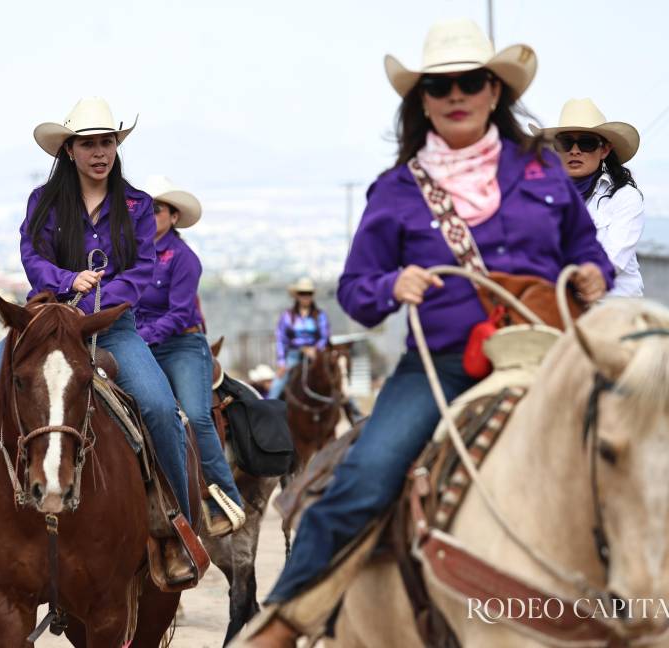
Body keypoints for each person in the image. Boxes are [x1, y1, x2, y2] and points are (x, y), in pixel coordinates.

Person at [241, 18, 612, 646]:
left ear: (496, 91)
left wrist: (592, 277)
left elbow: (588, 250)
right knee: (367, 474)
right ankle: (280, 623)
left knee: (654, 451)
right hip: (442, 363)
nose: (457, 94)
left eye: (472, 81)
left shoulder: (544, 174)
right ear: (424, 102)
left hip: (554, 356)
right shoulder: (396, 192)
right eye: (440, 87)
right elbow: (358, 290)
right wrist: (394, 287)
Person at [0, 96, 196, 585]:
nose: (99, 152)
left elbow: (144, 269)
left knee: (159, 408)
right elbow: (31, 255)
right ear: (69, 150)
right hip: (43, 324)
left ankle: (174, 533)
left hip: (111, 327)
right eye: (89, 144)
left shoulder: (138, 206)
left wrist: (95, 301)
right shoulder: (43, 202)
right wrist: (67, 282)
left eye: (107, 142)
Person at [137, 175, 245, 536]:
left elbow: (180, 313)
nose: (147, 215)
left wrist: (140, 337)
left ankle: (224, 500)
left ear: (173, 216)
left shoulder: (183, 258)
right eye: (140, 209)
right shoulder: (128, 257)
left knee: (197, 417)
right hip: (139, 344)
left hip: (181, 345)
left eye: (156, 209)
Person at [531, 98, 644, 296]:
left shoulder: (625, 196)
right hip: (558, 303)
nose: (575, 150)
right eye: (565, 143)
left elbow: (611, 261)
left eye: (586, 143)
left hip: (613, 309)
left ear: (604, 150)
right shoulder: (542, 196)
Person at [266, 278, 330, 399]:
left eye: (309, 294)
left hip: (316, 356)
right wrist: (281, 363)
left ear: (312, 296)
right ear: (297, 296)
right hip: (293, 356)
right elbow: (281, 339)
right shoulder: (287, 316)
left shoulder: (320, 315)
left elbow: (324, 336)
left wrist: (315, 349)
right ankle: (267, 412)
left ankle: (353, 411)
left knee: (336, 378)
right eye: (302, 293)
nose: (305, 297)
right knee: (276, 386)